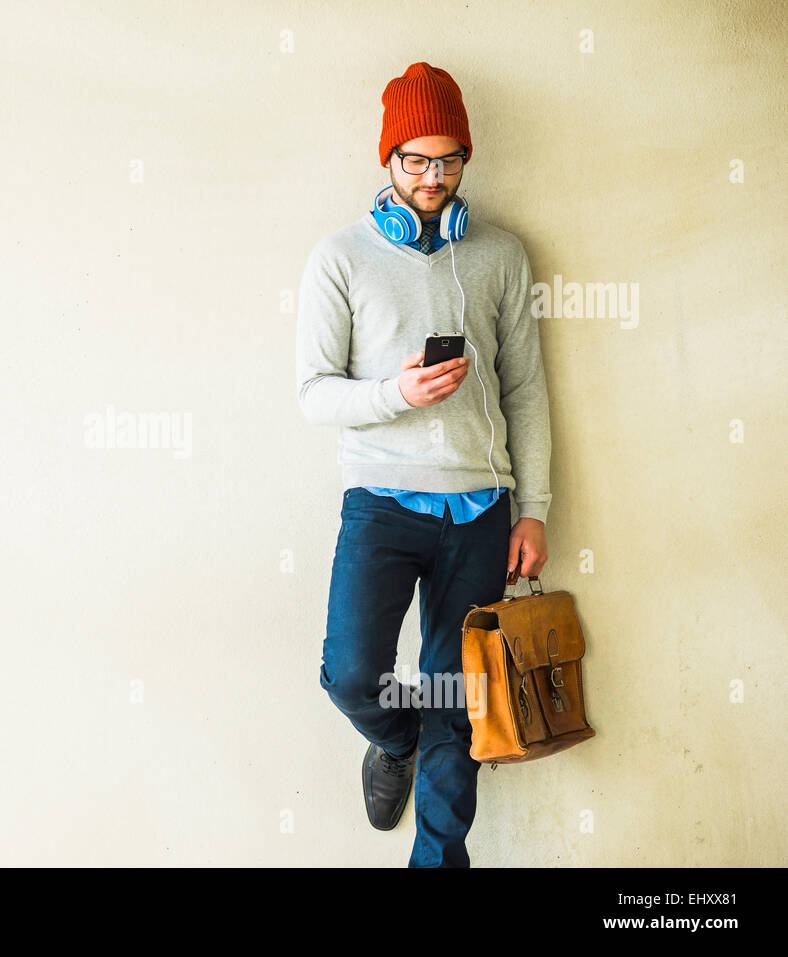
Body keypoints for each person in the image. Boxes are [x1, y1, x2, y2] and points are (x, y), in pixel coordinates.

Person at [295, 62, 552, 867]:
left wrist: (535, 506)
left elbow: (528, 389)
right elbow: (313, 394)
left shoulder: (502, 254)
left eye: (447, 161)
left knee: (458, 703)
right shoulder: (338, 258)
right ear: (388, 158)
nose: (432, 178)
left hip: (481, 508)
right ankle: (392, 740)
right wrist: (398, 392)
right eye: (416, 160)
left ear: (465, 159)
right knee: (350, 674)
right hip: (380, 503)